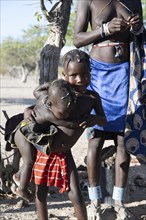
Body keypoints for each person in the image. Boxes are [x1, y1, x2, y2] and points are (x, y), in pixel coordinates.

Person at [11, 49, 107, 219]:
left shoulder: (92, 98)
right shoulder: (58, 93)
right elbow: (39, 108)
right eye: (73, 75)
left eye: (85, 74)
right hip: (45, 148)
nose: (80, 79)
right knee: (41, 192)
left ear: (90, 72)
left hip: (64, 152)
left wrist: (94, 119)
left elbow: (103, 119)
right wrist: (28, 110)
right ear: (64, 75)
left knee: (75, 192)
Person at [73, 0, 144, 219]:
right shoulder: (88, 1)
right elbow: (77, 39)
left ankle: (119, 202)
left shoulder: (133, 0)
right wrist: (104, 29)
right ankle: (95, 202)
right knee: (95, 140)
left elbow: (140, 35)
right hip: (97, 78)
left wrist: (138, 27)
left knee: (123, 140)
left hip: (126, 75)